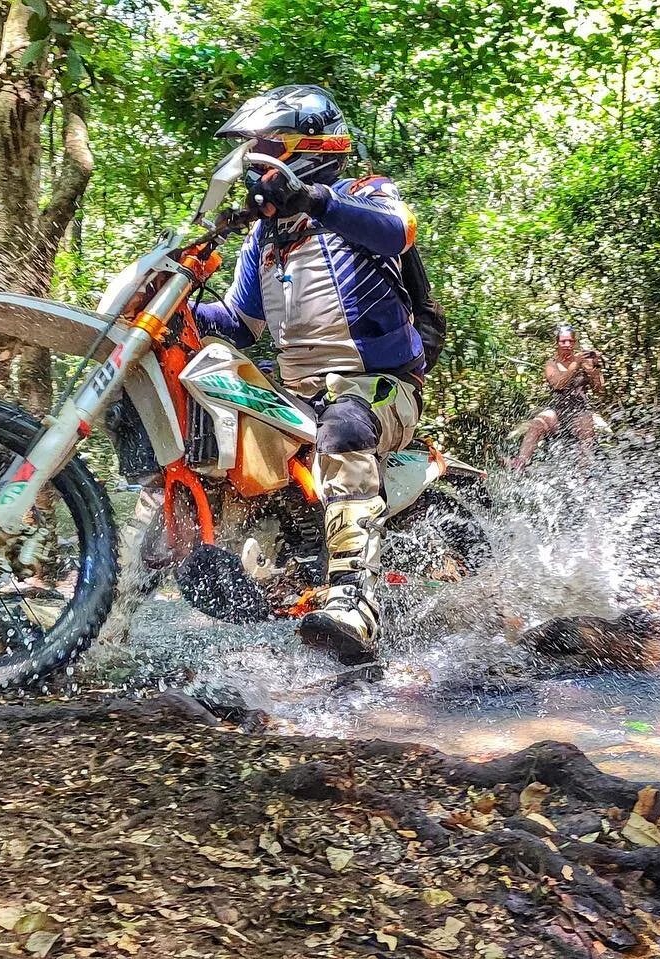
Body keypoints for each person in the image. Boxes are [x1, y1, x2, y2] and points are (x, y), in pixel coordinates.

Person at [192, 84, 424, 666]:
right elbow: (239, 323)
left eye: (265, 143)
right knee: (209, 403)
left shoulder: (362, 195)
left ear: (304, 146)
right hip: (295, 394)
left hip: (378, 388)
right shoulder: (264, 238)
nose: (253, 156)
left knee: (345, 423)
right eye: (250, 146)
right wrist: (174, 311)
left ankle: (354, 598)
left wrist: (315, 200)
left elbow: (395, 231)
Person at [506, 326, 604, 471]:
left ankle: (584, 472)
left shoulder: (584, 363)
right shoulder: (552, 364)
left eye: (570, 341)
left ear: (575, 343)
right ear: (557, 343)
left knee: (586, 427)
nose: (567, 345)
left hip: (580, 411)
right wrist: (575, 364)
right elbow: (558, 384)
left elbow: (598, 389)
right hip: (557, 411)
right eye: (563, 341)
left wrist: (592, 370)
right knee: (537, 424)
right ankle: (520, 462)